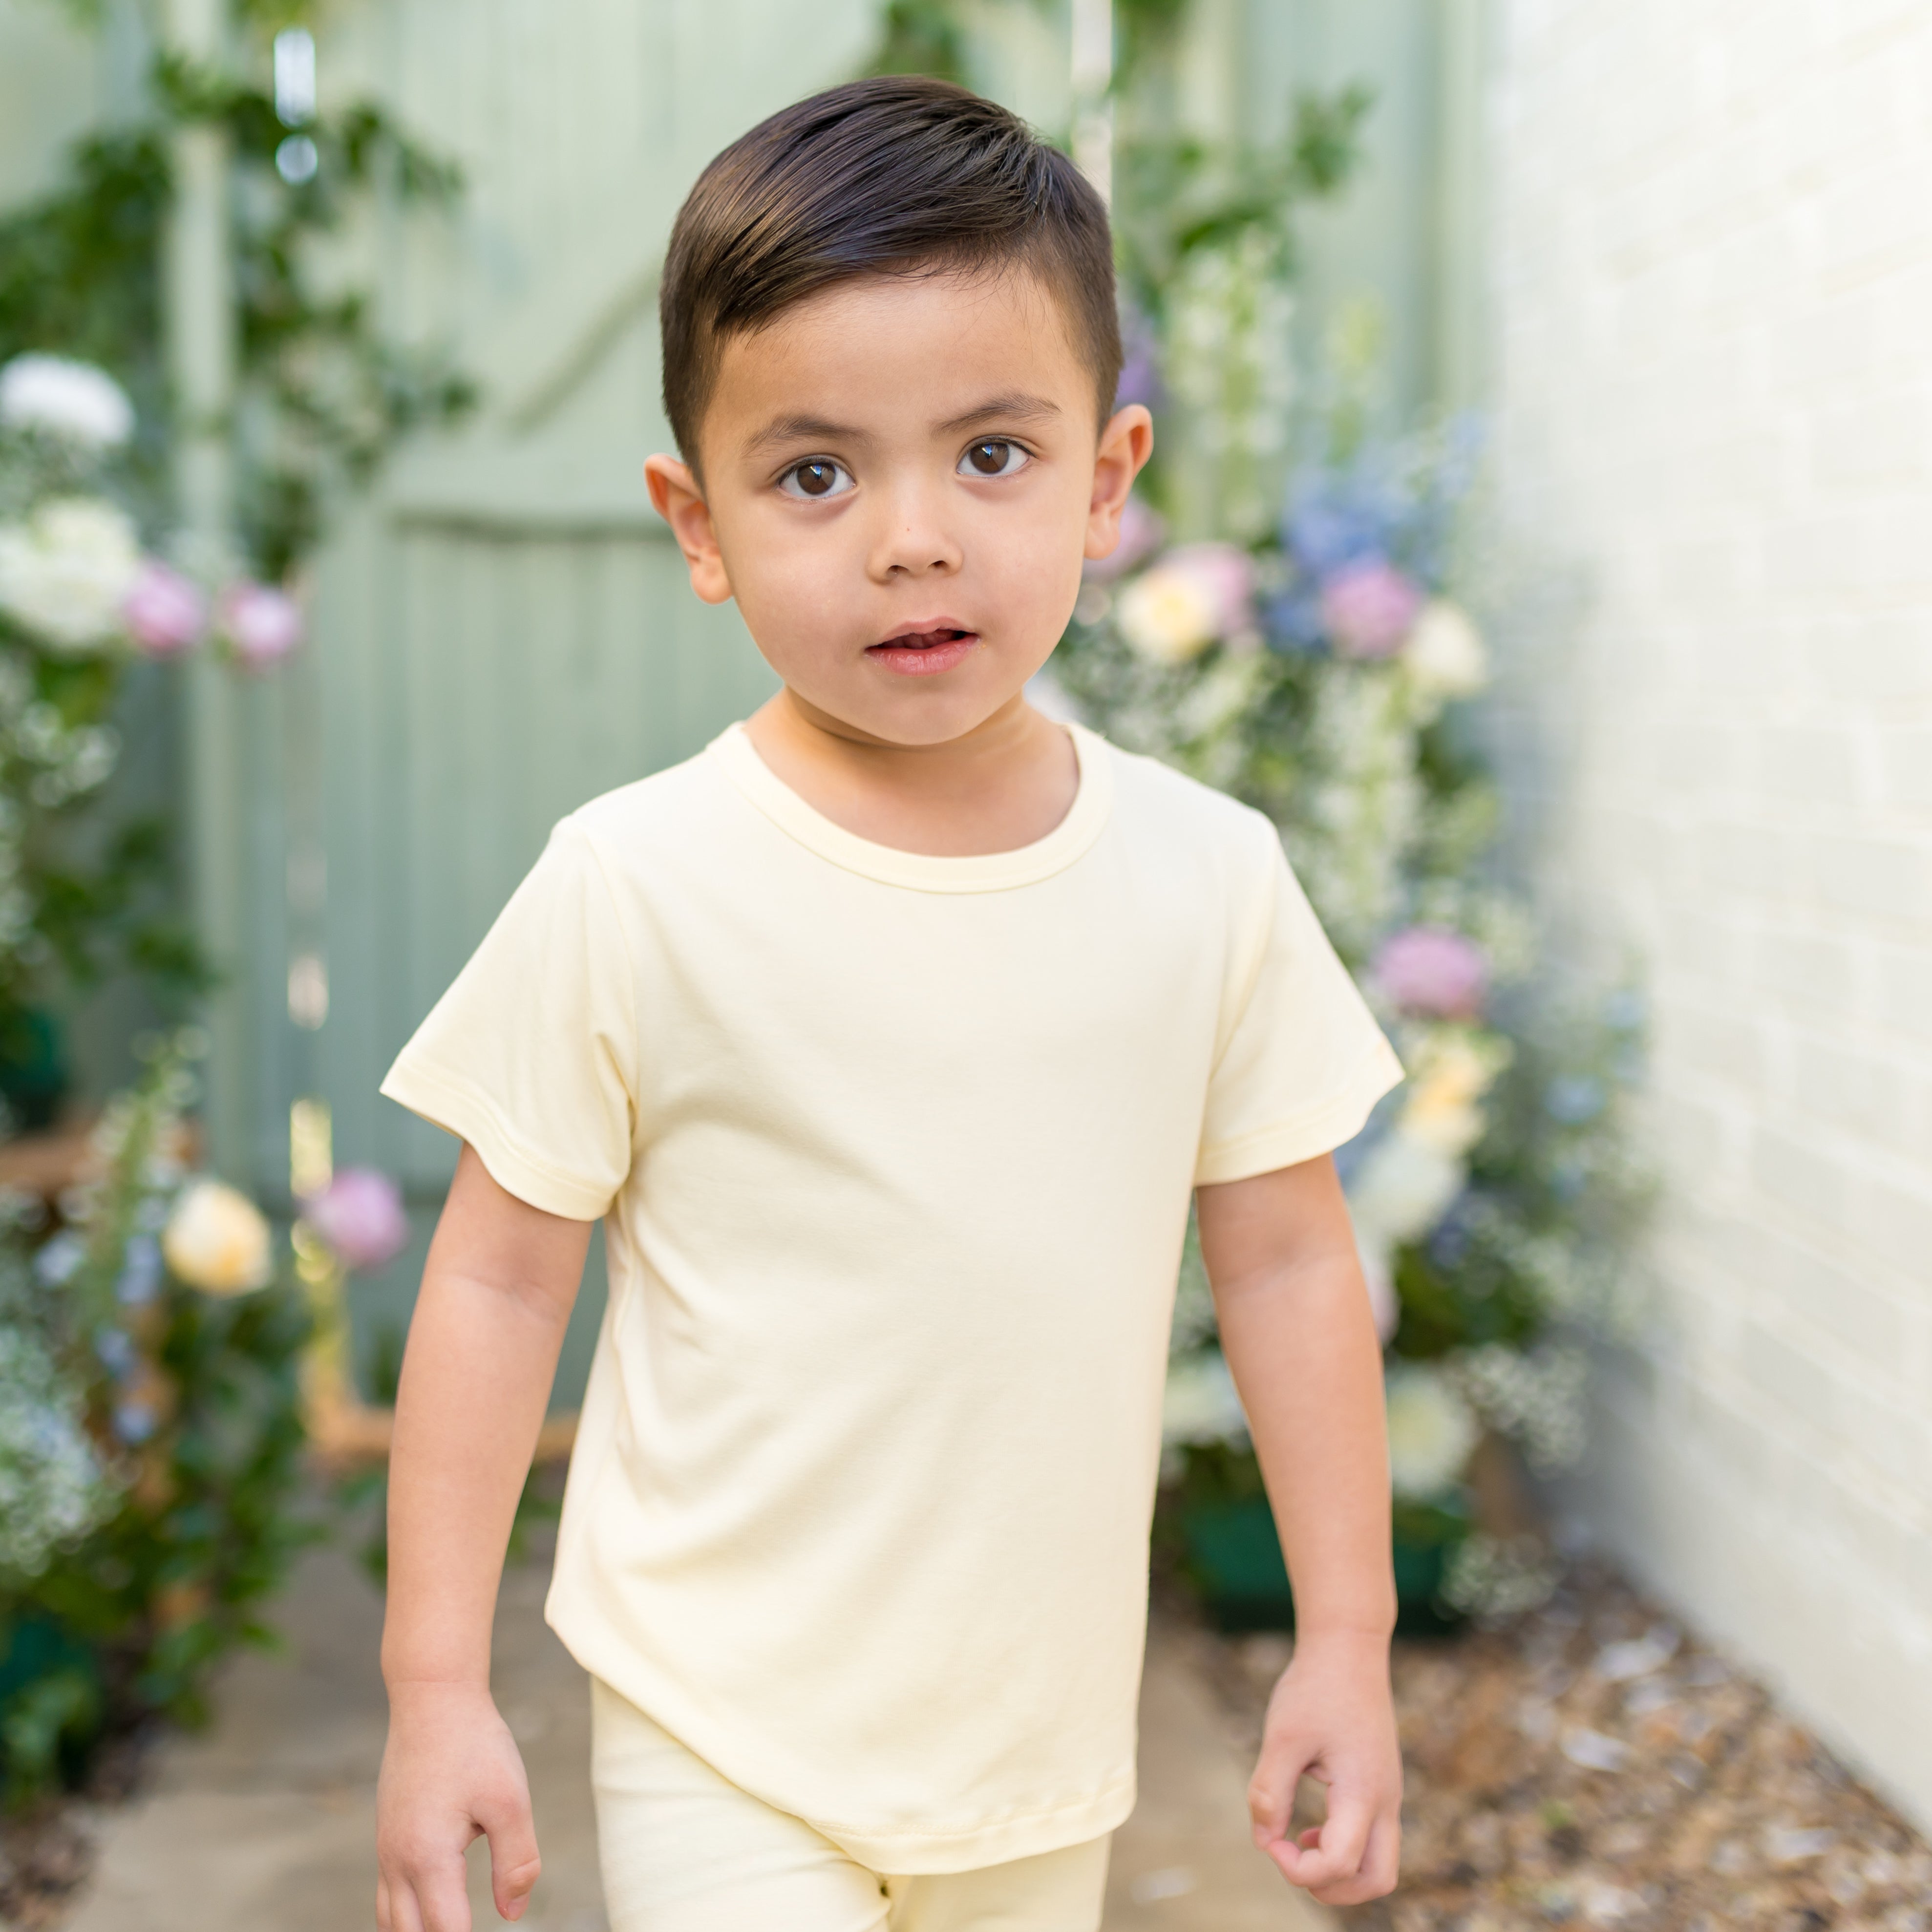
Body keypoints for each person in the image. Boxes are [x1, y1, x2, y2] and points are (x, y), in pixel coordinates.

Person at [374, 74, 1405, 1932]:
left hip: (1031, 1733)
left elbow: (1282, 1261)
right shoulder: (639, 882)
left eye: (991, 454)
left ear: (1107, 483)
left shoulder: (1207, 880)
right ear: (697, 523)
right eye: (815, 474)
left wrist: (1346, 1631)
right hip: (718, 1713)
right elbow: (499, 1281)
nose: (911, 538)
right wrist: (433, 1683)